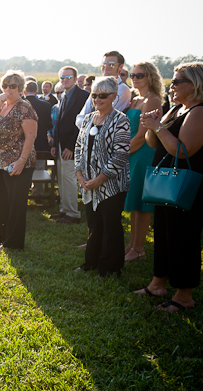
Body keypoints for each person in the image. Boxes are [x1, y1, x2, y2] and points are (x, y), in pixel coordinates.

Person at [135, 62, 203, 312]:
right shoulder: (177, 109)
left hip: (190, 184)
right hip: (168, 182)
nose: (171, 86)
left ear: (195, 84)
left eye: (177, 81)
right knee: (163, 233)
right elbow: (153, 143)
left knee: (184, 238)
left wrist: (158, 127)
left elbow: (183, 151)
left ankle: (184, 296)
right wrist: (152, 125)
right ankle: (157, 284)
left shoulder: (201, 112)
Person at [75, 77, 130, 277]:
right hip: (89, 183)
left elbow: (121, 154)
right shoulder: (89, 118)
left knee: (111, 225)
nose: (98, 99)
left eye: (103, 96)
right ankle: (91, 262)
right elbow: (78, 147)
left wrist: (100, 179)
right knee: (94, 224)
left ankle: (111, 267)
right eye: (94, 95)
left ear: (114, 97)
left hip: (111, 184)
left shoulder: (120, 119)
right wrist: (80, 175)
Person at [0, 70, 38, 250]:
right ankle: (4, 239)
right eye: (5, 86)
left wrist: (21, 160)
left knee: (15, 204)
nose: (8, 89)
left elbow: (30, 136)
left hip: (19, 162)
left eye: (12, 86)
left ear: (19, 88)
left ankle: (14, 243)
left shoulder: (24, 107)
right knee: (1, 203)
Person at [123, 62, 163, 262]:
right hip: (132, 152)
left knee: (142, 202)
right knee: (134, 201)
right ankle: (131, 244)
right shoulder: (135, 98)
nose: (135, 78)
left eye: (140, 75)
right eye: (133, 74)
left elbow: (142, 136)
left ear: (150, 77)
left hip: (143, 153)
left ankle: (139, 248)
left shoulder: (152, 100)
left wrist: (120, 155)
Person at [50, 66, 90, 224]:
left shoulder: (84, 96)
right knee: (62, 178)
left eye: (68, 77)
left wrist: (71, 147)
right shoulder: (64, 95)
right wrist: (55, 143)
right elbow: (58, 123)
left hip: (72, 145)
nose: (65, 80)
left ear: (75, 79)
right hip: (60, 144)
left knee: (69, 178)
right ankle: (64, 209)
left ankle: (73, 213)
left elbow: (81, 124)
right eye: (62, 78)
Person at [76, 51, 132, 128]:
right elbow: (80, 117)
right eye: (104, 64)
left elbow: (106, 117)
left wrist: (88, 125)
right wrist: (87, 130)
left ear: (120, 67)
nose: (107, 66)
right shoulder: (96, 86)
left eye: (111, 64)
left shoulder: (122, 89)